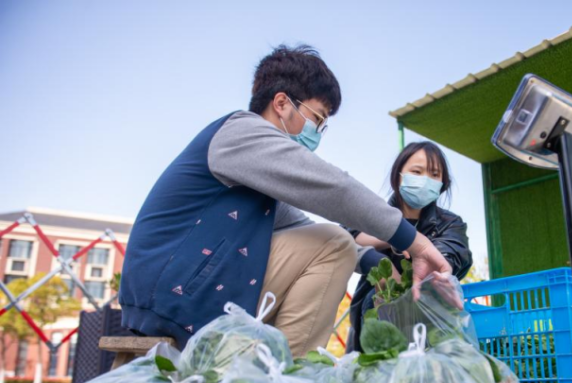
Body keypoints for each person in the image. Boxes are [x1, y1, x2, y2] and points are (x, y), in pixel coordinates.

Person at [118, 45, 450, 357]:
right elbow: (333, 189)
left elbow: (303, 228)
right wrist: (414, 242)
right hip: (174, 295)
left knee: (328, 241)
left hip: (186, 289)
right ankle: (284, 379)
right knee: (335, 243)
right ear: (281, 103)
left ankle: (276, 369)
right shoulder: (241, 133)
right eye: (317, 118)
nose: (317, 131)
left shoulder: (257, 178)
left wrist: (382, 270)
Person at [345, 141, 473, 352]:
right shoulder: (372, 215)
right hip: (371, 316)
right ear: (398, 176)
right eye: (417, 171)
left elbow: (454, 251)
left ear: (443, 183)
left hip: (429, 319)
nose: (425, 180)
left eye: (434, 174)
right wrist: (393, 238)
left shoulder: (451, 223)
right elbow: (346, 237)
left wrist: (437, 268)